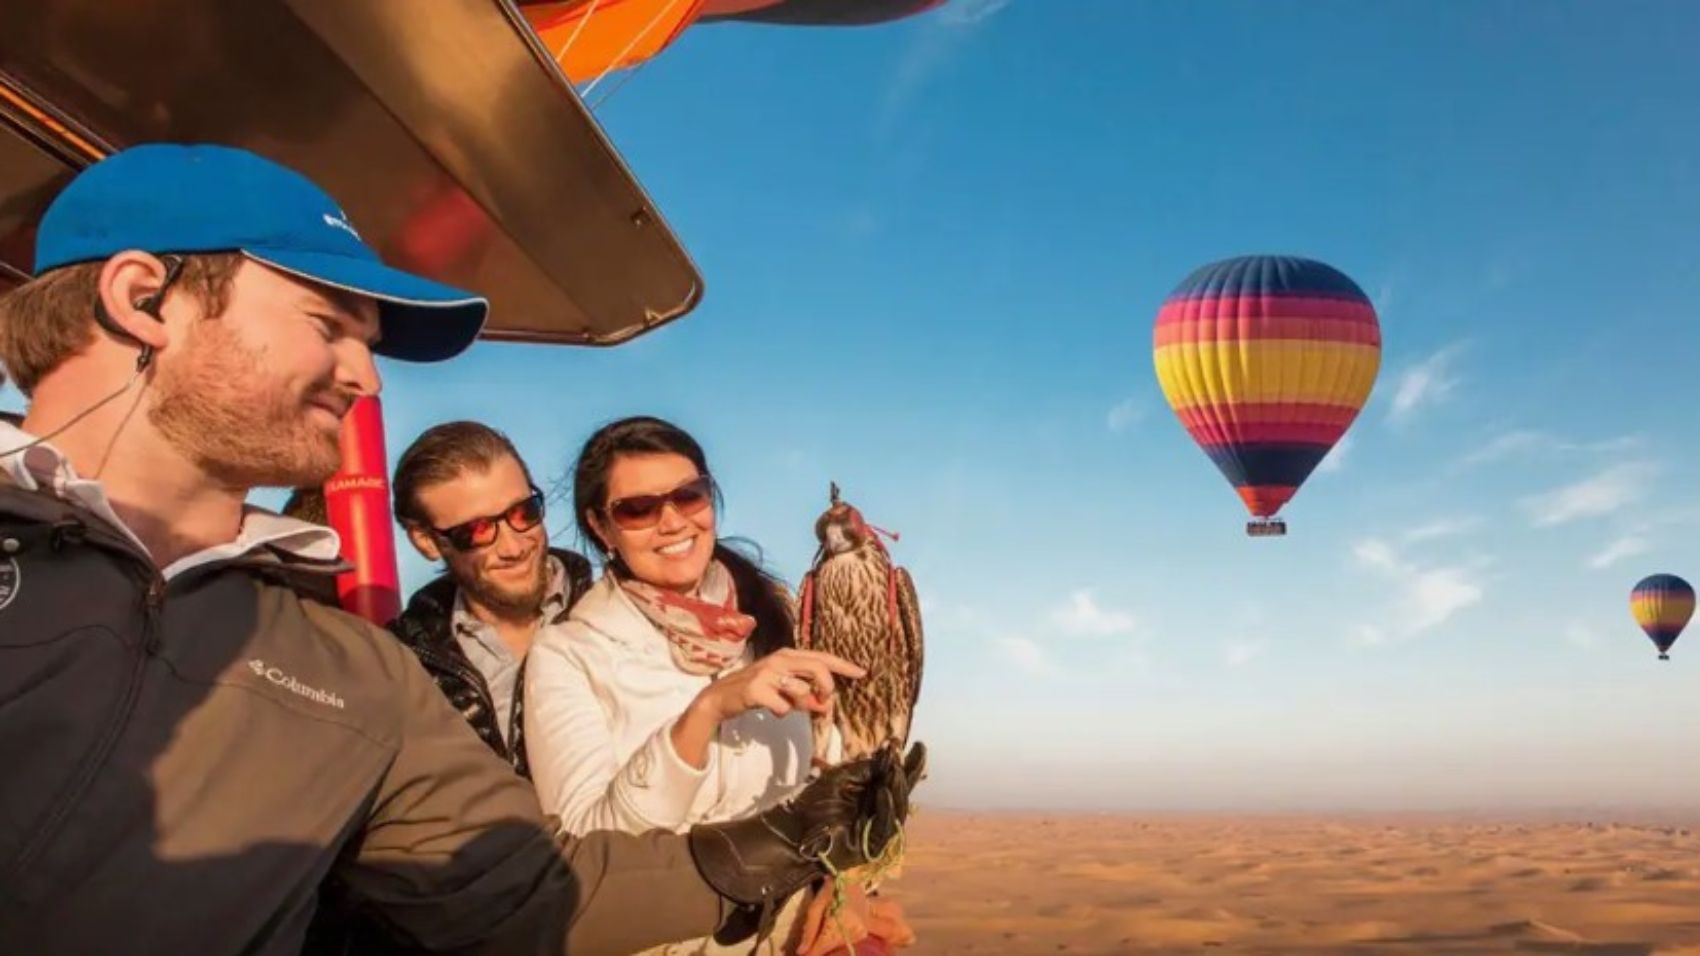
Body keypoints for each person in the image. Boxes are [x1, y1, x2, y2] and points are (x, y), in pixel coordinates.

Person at [0, 142, 923, 956]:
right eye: (328, 326)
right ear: (143, 300)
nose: (365, 377)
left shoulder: (349, 669)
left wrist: (793, 839)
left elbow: (523, 892)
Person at [524, 415, 916, 956]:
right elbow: (589, 858)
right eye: (637, 508)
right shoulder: (568, 655)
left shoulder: (772, 611)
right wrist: (707, 710)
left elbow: (812, 777)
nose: (671, 521)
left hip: (793, 929)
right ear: (600, 526)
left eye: (688, 496)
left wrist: (846, 864)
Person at [388, 420, 593, 780]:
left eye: (523, 513)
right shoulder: (398, 666)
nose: (514, 546)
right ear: (426, 541)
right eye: (478, 531)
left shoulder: (617, 614)